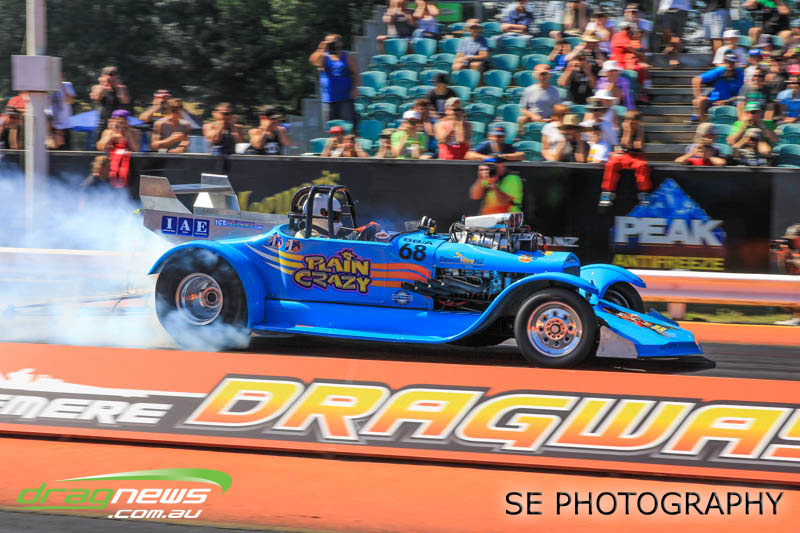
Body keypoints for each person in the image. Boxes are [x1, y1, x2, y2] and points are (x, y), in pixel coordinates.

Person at [600, 110, 651, 208]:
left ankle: (644, 193)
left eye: (634, 122)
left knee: (642, 166)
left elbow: (638, 146)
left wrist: (640, 132)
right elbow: (625, 145)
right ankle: (607, 192)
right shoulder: (623, 130)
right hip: (624, 155)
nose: (631, 124)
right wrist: (628, 131)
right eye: (628, 121)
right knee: (611, 164)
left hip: (637, 156)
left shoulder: (641, 130)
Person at [309, 34, 360, 125]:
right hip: (328, 99)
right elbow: (313, 61)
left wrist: (355, 89)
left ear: (340, 43)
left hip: (345, 98)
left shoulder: (347, 57)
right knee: (330, 127)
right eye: (329, 42)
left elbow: (356, 74)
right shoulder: (323, 57)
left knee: (347, 126)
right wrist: (321, 49)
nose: (332, 44)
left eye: (334, 41)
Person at [691, 53, 745, 123]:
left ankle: (740, 125)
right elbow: (696, 79)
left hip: (731, 101)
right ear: (724, 62)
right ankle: (703, 123)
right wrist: (698, 96)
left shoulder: (740, 74)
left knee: (741, 103)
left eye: (732, 63)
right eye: (727, 62)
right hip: (715, 100)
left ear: (735, 63)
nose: (729, 65)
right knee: (701, 102)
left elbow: (741, 95)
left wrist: (726, 101)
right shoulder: (719, 70)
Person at [96, 110, 140, 189]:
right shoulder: (108, 132)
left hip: (129, 167)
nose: (120, 124)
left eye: (123, 122)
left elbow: (136, 149)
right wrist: (111, 136)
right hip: (111, 167)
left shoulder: (135, 132)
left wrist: (127, 134)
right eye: (118, 121)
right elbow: (100, 147)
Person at [610, 21, 650, 103]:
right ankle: (641, 93)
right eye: (626, 29)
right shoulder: (619, 36)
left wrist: (641, 56)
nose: (627, 30)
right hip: (618, 64)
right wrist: (641, 55)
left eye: (628, 29)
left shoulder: (627, 38)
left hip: (624, 62)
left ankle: (642, 92)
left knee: (643, 67)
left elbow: (634, 52)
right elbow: (630, 49)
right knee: (640, 68)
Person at [518, 64, 563, 131]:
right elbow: (523, 109)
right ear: (536, 76)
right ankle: (521, 135)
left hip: (550, 119)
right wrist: (533, 115)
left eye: (546, 74)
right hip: (533, 119)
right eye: (541, 74)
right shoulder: (529, 90)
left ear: (549, 75)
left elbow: (558, 108)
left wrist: (553, 118)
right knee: (521, 119)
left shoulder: (555, 90)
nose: (543, 76)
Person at [90, 66, 131, 139]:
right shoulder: (98, 87)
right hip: (103, 121)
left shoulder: (121, 88)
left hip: (118, 122)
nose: (111, 77)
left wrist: (117, 86)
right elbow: (96, 97)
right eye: (110, 74)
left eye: (114, 74)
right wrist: (104, 84)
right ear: (102, 76)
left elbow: (125, 100)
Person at [203, 102, 245, 170]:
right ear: (216, 113)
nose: (227, 116)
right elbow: (215, 139)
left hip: (232, 158)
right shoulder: (208, 126)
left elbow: (240, 142)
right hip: (215, 159)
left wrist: (232, 127)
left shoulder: (238, 127)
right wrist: (221, 125)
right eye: (224, 114)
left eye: (230, 114)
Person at [658, 0, 691, 67]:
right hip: (666, 8)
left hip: (682, 8)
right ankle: (672, 46)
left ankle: (674, 58)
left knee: (676, 36)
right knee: (666, 31)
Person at [48, 78, 75, 150]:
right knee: (50, 150)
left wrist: (61, 85)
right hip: (52, 126)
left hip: (65, 126)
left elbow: (70, 101)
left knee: (65, 152)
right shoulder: (45, 87)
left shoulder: (67, 85)